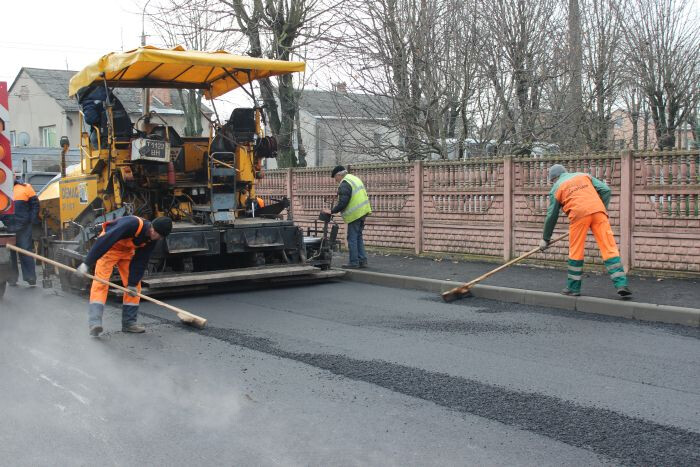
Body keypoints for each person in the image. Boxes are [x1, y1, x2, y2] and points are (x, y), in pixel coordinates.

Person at [540, 164, 631, 298]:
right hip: (599, 212)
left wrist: (545, 238)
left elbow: (551, 215)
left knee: (576, 250)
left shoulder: (556, 187)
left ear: (554, 178)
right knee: (609, 248)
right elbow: (606, 190)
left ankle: (573, 288)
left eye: (552, 180)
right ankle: (621, 284)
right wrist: (600, 209)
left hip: (578, 215)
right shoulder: (583, 175)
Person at [75, 215, 173, 337]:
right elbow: (104, 241)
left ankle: (129, 323)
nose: (157, 237)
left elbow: (141, 260)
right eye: (157, 233)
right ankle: (95, 322)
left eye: (161, 236)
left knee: (135, 287)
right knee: (101, 283)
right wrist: (87, 263)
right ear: (152, 227)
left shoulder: (152, 240)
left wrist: (132, 283)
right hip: (108, 249)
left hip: (127, 253)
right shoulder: (131, 224)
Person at [322, 165, 372, 269]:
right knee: (358, 237)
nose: (336, 180)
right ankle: (362, 260)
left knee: (352, 238)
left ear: (339, 175)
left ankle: (354, 262)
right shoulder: (354, 178)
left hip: (356, 214)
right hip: (363, 211)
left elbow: (343, 202)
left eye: (335, 178)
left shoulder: (345, 183)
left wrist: (331, 211)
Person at [0, 176, 39, 286]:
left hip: (24, 227)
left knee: (25, 251)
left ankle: (30, 277)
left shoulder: (26, 187)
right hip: (7, 227)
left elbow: (35, 205)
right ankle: (12, 278)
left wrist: (31, 219)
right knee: (9, 254)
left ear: (14, 176)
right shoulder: (2, 190)